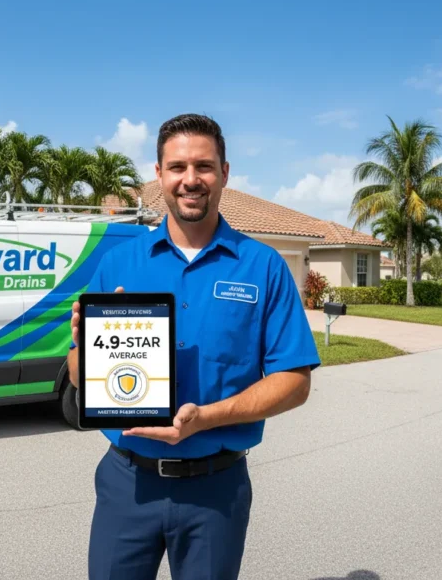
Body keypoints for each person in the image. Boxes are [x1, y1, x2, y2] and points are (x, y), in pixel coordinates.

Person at [67, 113, 320, 579]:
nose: (191, 179)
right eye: (178, 167)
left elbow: (295, 381)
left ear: (224, 173)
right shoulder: (117, 263)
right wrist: (85, 348)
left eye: (203, 166)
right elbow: (81, 375)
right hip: (128, 484)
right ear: (159, 175)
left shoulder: (262, 268)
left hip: (215, 490)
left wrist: (206, 419)